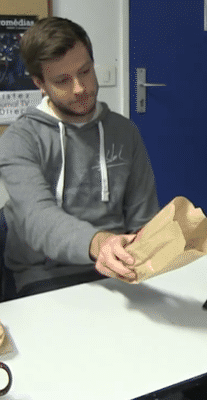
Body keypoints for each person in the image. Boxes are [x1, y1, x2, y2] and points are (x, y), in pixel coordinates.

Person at [0, 17, 159, 299]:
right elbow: (39, 220)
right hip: (45, 277)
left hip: (117, 270)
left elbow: (143, 218)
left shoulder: (124, 132)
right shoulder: (19, 140)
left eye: (85, 71)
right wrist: (100, 243)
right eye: (62, 80)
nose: (79, 88)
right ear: (40, 83)